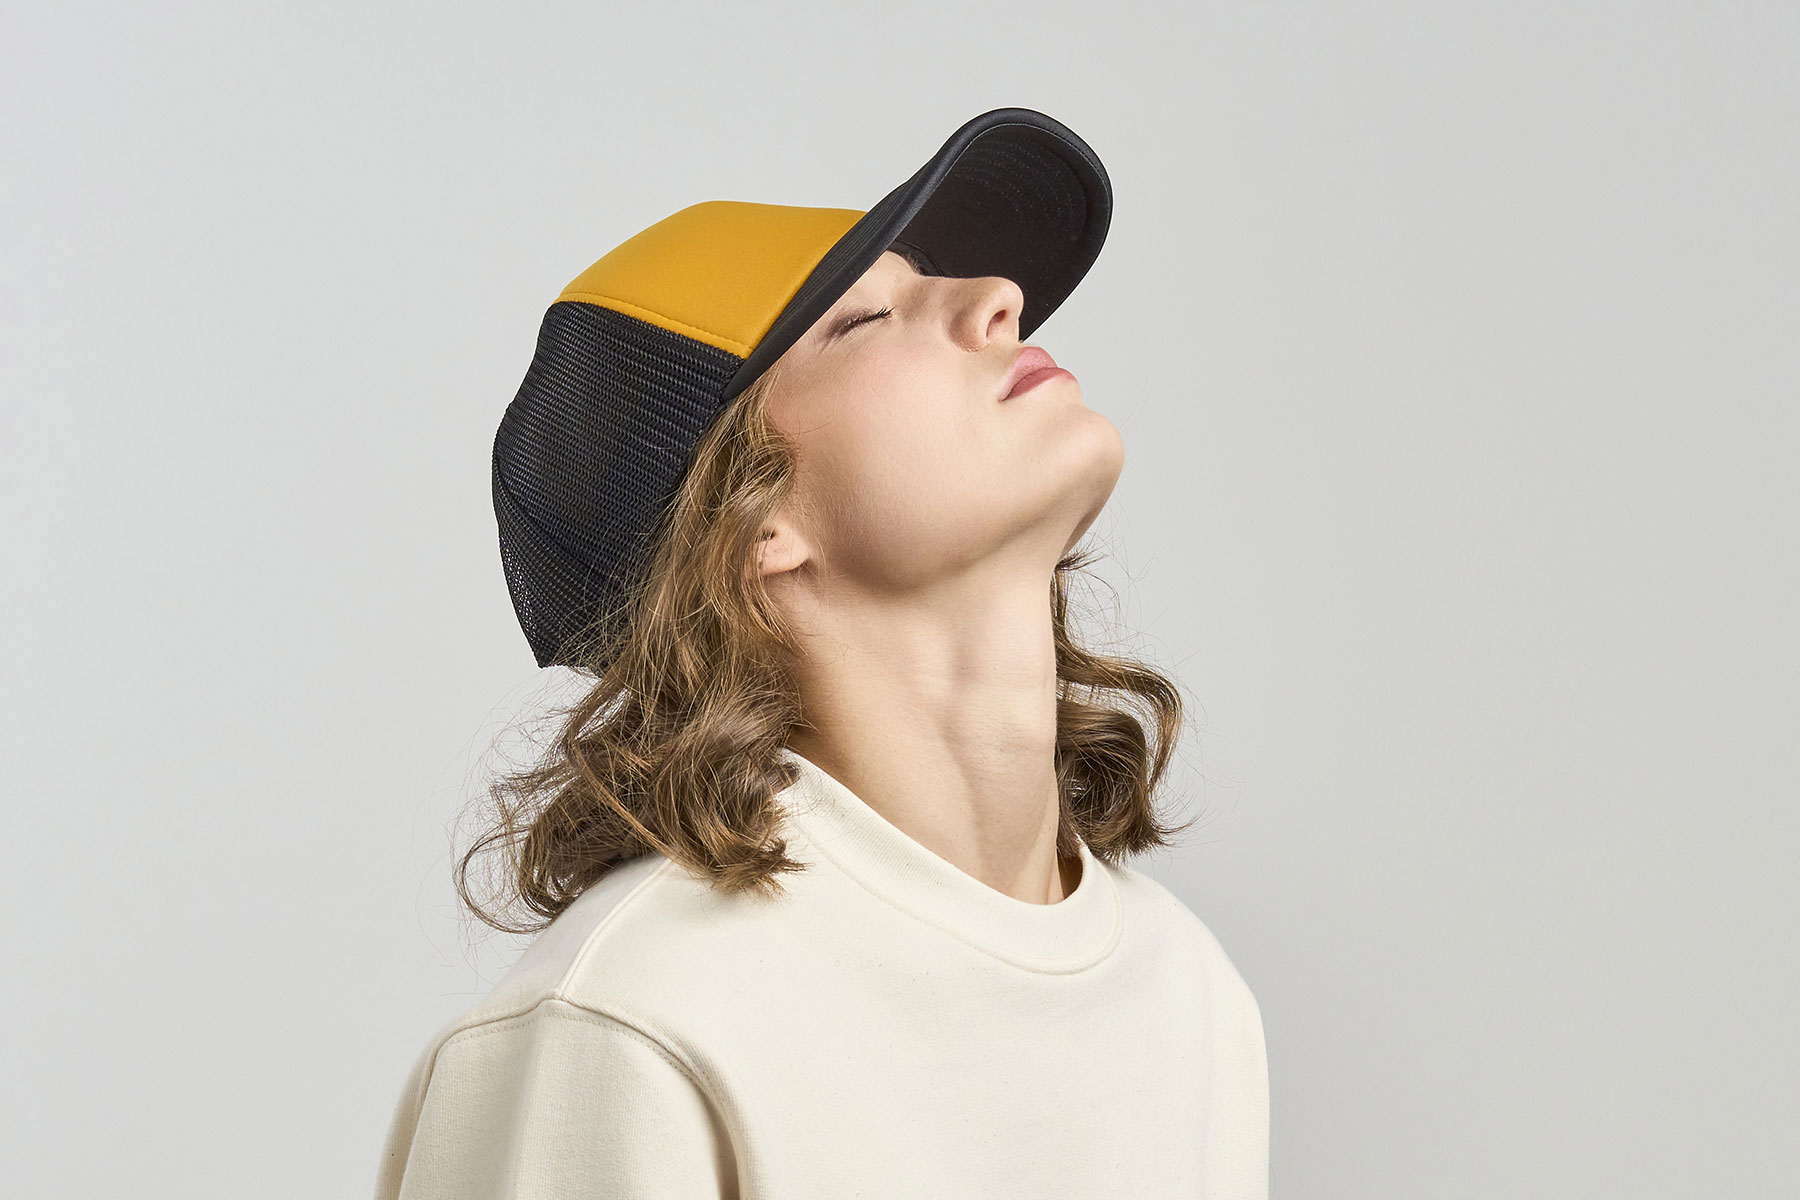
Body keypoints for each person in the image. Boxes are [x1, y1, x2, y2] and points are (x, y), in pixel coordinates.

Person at [374, 108, 1270, 1199]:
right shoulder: (634, 1025)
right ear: (751, 524)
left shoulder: (1187, 991)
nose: (1000, 299)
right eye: (867, 317)